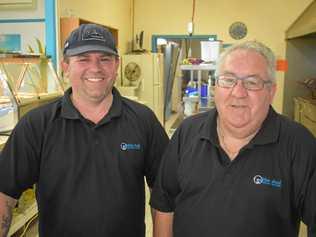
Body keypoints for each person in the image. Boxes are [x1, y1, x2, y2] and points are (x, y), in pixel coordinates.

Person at [0, 24, 169, 237]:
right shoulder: (37, 125)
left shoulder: (144, 120)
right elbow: (4, 195)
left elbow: (164, 194)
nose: (95, 67)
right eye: (83, 58)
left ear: (117, 64)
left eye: (105, 59)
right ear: (65, 66)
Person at [150, 41, 316, 237]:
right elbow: (165, 203)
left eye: (252, 82)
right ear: (216, 86)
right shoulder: (188, 131)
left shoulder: (299, 144)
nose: (238, 93)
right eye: (228, 80)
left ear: (271, 92)